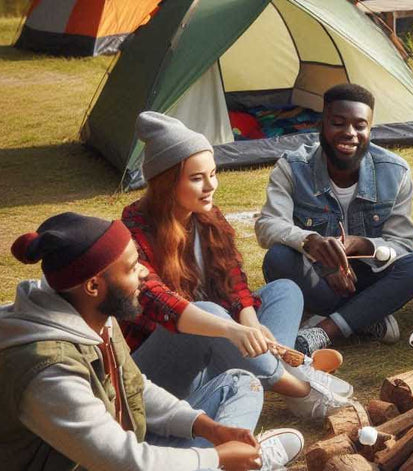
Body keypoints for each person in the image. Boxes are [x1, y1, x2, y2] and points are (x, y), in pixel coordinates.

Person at [0, 212, 303, 471]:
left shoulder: (94, 313)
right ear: (94, 285)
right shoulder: (47, 371)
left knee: (240, 384)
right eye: (133, 268)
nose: (145, 276)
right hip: (111, 462)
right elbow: (122, 460)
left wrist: (206, 428)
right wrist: (218, 457)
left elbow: (136, 388)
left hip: (121, 452)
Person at [122, 111, 352, 421]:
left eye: (213, 173)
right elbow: (159, 301)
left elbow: (235, 284)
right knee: (210, 314)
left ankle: (276, 368)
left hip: (217, 351)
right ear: (165, 183)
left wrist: (251, 325)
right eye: (196, 178)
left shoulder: (206, 217)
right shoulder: (133, 232)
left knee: (284, 291)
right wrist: (233, 329)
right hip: (162, 372)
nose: (210, 185)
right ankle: (301, 389)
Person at [257, 84, 413, 353]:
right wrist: (311, 242)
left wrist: (361, 244)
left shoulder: (395, 171)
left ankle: (324, 331)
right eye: (338, 123)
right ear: (322, 124)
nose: (349, 133)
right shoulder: (293, 167)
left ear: (370, 130)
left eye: (360, 126)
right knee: (277, 258)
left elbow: (402, 244)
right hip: (318, 277)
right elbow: (267, 225)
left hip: (369, 275)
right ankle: (365, 316)